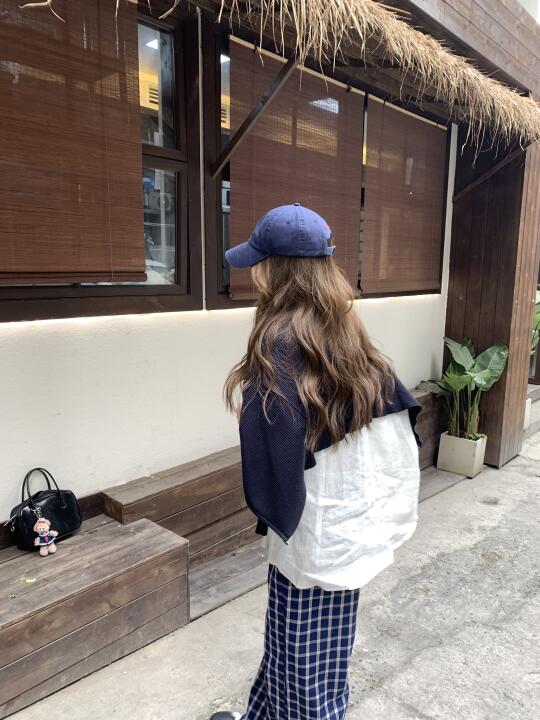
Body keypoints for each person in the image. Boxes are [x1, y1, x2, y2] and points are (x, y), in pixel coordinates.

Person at [210, 203, 422, 720]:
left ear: (275, 269)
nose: (254, 273)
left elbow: (271, 453)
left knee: (303, 664)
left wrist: (273, 510)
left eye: (259, 263)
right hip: (349, 517)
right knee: (309, 644)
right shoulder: (345, 327)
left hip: (314, 526)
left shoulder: (279, 341)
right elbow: (395, 420)